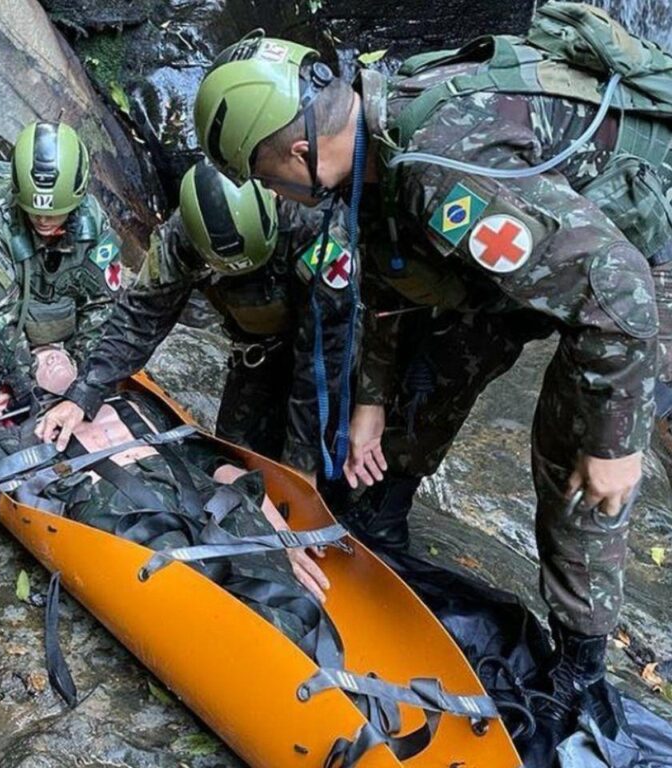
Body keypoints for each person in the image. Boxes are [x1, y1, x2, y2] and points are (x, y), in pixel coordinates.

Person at [191, 6, 672, 760]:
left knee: (574, 468)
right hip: (548, 254)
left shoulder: (438, 169)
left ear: (294, 149)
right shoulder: (371, 148)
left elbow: (619, 296)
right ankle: (383, 515)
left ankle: (581, 671)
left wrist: (615, 443)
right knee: (433, 363)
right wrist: (371, 409)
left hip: (634, 268)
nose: (276, 196)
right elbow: (391, 284)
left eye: (265, 178)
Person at [36, 160, 354, 484]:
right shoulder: (179, 237)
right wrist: (84, 394)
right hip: (256, 351)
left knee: (330, 475)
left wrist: (302, 464)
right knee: (234, 460)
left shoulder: (313, 221)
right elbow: (140, 316)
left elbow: (325, 351)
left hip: (333, 352)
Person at [0, 346, 331, 604]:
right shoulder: (29, 432)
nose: (51, 355)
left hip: (187, 488)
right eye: (38, 360)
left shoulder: (131, 402)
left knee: (286, 593)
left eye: (59, 351)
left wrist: (276, 530)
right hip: (119, 510)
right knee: (196, 591)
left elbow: (201, 457)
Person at [0, 120, 123, 375]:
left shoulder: (92, 225)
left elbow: (103, 304)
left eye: (54, 214)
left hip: (62, 338)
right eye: (34, 211)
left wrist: (79, 370)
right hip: (2, 335)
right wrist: (27, 377)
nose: (42, 220)